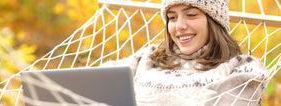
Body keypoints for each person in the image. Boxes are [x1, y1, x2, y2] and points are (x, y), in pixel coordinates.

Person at [101, 0, 268, 105]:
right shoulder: (148, 57)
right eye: (172, 18)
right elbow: (93, 84)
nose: (179, 26)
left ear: (214, 22)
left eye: (191, 14)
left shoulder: (243, 67)